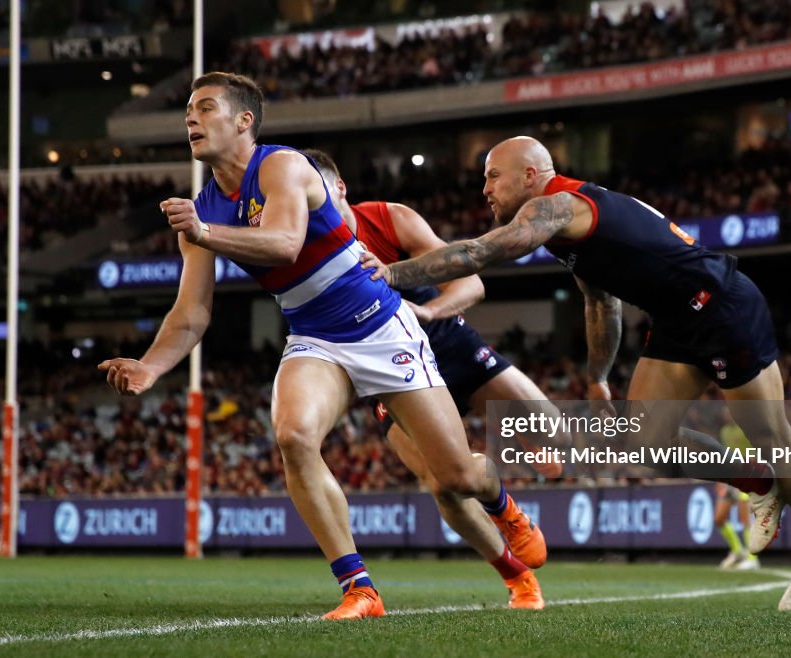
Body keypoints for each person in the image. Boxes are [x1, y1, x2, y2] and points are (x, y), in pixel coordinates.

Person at [97, 74, 546, 620]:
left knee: (455, 476)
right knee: (293, 435)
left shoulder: (282, 166)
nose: (190, 118)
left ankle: (503, 506)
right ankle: (360, 589)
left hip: (382, 327)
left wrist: (205, 233)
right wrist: (150, 366)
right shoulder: (202, 209)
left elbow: (286, 244)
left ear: (244, 121)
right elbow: (192, 312)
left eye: (205, 108)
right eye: (187, 110)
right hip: (314, 336)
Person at [366, 135, 791, 613]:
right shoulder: (566, 229)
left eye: (492, 176)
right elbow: (601, 303)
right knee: (647, 443)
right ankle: (759, 483)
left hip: (721, 307)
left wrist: (392, 274)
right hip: (676, 319)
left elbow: (480, 254)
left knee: (773, 436)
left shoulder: (557, 207)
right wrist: (597, 378)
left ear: (530, 175)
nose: (484, 189)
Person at [305, 148, 563, 609]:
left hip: (447, 341)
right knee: (443, 483)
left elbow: (471, 284)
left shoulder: (389, 219)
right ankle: (517, 571)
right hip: (390, 367)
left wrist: (426, 311)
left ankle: (511, 467)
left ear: (339, 188)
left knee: (554, 434)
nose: (308, 206)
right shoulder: (304, 249)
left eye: (313, 193)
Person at [716, 414, 759, 571]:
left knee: (745, 519)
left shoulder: (747, 429)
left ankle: (752, 558)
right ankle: (738, 551)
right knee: (719, 518)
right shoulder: (724, 431)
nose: (727, 414)